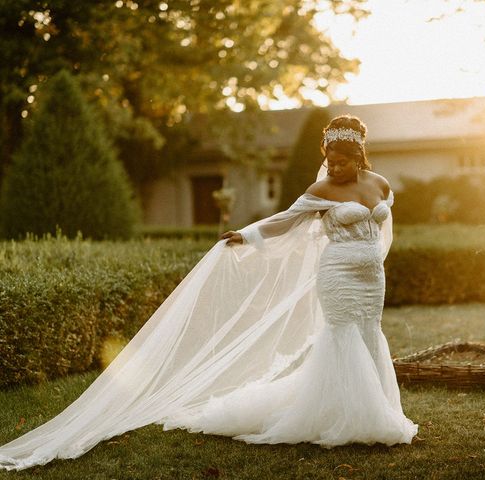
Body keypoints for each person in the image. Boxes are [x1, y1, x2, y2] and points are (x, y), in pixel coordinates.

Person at [0, 115, 417, 471]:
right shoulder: (323, 191)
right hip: (337, 275)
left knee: (368, 333)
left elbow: (383, 226)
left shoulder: (378, 183)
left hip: (370, 280)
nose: (335, 168)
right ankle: (347, 417)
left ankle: (376, 407)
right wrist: (248, 234)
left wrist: (373, 259)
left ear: (359, 157)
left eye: (343, 162)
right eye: (330, 161)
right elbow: (284, 221)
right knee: (342, 335)